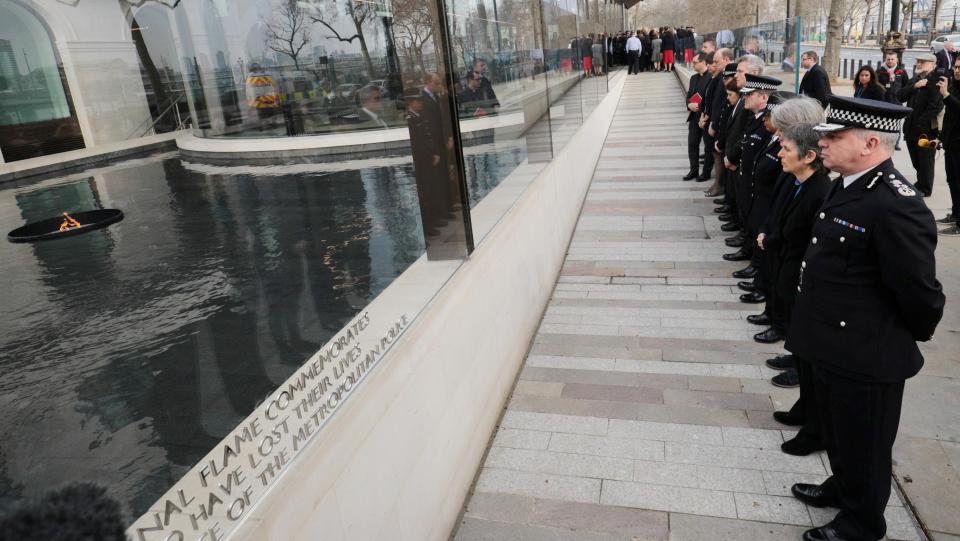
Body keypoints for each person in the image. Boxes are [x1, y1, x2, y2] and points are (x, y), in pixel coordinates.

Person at [787, 94, 944, 541]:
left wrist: (900, 335)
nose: (824, 145)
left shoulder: (897, 203)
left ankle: (862, 523)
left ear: (871, 142)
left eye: (834, 137)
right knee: (840, 433)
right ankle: (844, 487)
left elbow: (919, 291)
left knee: (865, 444)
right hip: (832, 344)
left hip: (867, 352)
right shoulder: (848, 183)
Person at [760, 120, 831, 455]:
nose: (780, 153)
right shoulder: (800, 183)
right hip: (790, 279)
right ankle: (805, 408)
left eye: (786, 149)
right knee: (801, 355)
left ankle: (815, 429)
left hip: (807, 288)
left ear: (808, 156)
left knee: (811, 361)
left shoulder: (821, 191)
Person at [898, 53, 943, 197]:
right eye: (918, 61)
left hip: (926, 130)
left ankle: (925, 188)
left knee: (926, 161)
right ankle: (920, 182)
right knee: (916, 160)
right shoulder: (915, 80)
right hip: (911, 128)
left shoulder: (936, 81)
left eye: (923, 61)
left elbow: (935, 106)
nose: (919, 64)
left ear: (933, 65)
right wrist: (915, 87)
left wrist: (921, 123)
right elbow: (900, 96)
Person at [935, 61, 960, 235]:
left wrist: (946, 95)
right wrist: (941, 138)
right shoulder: (955, 86)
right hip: (951, 143)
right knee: (952, 181)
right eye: (956, 67)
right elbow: (950, 117)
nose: (957, 70)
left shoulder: (951, 91)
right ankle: (956, 214)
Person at [685, 53, 711, 180]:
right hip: (694, 117)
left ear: (703, 62)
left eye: (695, 62)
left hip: (706, 118)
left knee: (708, 147)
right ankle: (693, 170)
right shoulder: (693, 78)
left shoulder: (711, 78)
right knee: (692, 144)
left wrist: (700, 107)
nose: (692, 64)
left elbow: (711, 99)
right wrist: (689, 104)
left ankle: (705, 173)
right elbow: (689, 94)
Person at [876, 51, 908, 150]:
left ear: (896, 60)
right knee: (882, 122)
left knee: (897, 123)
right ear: (885, 59)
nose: (890, 61)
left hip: (896, 102)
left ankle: (896, 142)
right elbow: (875, 85)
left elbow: (906, 86)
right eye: (888, 59)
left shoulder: (902, 72)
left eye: (892, 59)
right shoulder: (879, 71)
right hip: (883, 101)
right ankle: (881, 141)